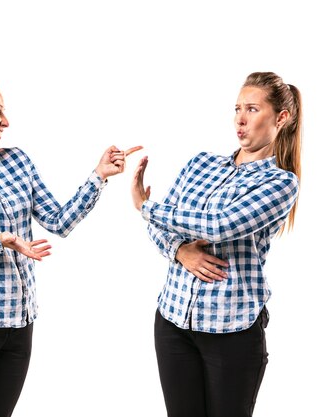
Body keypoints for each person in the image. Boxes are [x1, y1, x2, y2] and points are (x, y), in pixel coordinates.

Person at [0, 70, 141, 417]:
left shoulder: (16, 162)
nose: (6, 121)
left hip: (18, 327)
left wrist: (99, 176)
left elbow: (59, 222)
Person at [130, 71, 301, 417]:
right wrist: (180, 251)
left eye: (252, 109)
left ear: (280, 118)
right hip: (173, 321)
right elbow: (160, 228)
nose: (240, 118)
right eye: (237, 108)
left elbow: (221, 225)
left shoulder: (281, 182)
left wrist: (146, 207)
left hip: (231, 330)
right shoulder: (201, 164)